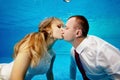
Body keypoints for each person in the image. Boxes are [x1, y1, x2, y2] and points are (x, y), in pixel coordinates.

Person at [62, 15, 120, 80]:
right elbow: (72, 67)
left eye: (66, 28)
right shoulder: (74, 50)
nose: (62, 30)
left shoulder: (101, 51)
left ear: (78, 33)